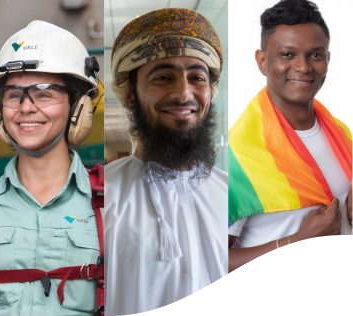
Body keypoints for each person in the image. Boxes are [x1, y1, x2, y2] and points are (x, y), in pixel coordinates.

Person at [105, 8, 227, 315]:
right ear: (130, 94)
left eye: (197, 78)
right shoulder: (98, 196)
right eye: (163, 77)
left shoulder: (234, 192)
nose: (184, 93)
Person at [0, 21, 103, 316]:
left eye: (44, 93)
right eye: (13, 94)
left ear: (78, 108)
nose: (25, 107)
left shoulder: (109, 200)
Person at [228, 0, 353, 273]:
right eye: (287, 54)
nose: (304, 67)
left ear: (328, 59)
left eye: (315, 55)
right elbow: (207, 260)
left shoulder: (342, 134)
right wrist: (295, 241)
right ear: (262, 61)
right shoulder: (237, 152)